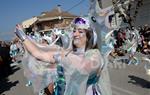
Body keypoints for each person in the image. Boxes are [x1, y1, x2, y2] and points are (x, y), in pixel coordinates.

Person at [15, 17, 112, 95]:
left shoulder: (95, 55)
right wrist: (23, 37)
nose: (75, 34)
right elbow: (39, 54)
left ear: (89, 37)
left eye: (80, 31)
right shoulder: (68, 52)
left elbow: (85, 68)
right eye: (74, 31)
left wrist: (63, 56)